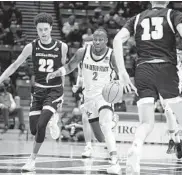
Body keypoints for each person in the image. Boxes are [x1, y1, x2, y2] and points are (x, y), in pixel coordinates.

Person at [113, 1, 182, 175]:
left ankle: (135, 148)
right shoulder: (173, 14)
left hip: (142, 69)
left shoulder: (136, 18)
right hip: (166, 69)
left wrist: (122, 71)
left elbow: (117, 39)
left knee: (146, 123)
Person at [0, 13, 67, 172]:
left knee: (42, 125)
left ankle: (32, 160)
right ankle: (51, 119)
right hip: (38, 91)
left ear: (51, 29)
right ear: (36, 30)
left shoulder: (62, 46)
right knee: (35, 129)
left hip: (54, 91)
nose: (43, 32)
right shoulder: (31, 47)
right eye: (40, 29)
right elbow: (14, 65)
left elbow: (63, 71)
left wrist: (61, 96)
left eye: (46, 29)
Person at [47, 28, 121, 174]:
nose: (98, 42)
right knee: (100, 138)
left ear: (106, 41)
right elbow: (69, 66)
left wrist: (119, 86)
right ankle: (114, 121)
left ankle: (114, 161)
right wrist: (57, 72)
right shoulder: (83, 52)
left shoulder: (112, 55)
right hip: (88, 97)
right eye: (95, 39)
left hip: (104, 96)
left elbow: (121, 73)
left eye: (101, 39)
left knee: (105, 125)